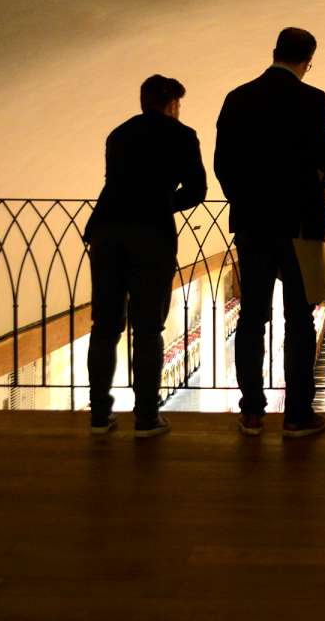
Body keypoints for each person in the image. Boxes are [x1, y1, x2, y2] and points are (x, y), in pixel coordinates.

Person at [214, 28, 325, 439]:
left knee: (252, 317)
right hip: (299, 225)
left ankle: (251, 412)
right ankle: (297, 414)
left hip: (252, 224)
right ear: (308, 62)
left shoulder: (238, 98)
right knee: (299, 319)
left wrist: (245, 201)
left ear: (274, 52)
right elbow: (324, 155)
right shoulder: (311, 99)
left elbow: (223, 164)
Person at [83, 74, 207, 438]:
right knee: (148, 328)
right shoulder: (182, 135)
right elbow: (197, 190)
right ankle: (147, 417)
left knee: (105, 326)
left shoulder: (118, 134)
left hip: (106, 230)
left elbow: (114, 182)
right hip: (151, 235)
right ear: (172, 104)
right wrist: (164, 203)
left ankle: (99, 416)